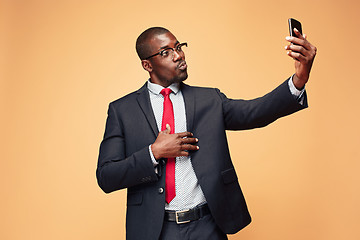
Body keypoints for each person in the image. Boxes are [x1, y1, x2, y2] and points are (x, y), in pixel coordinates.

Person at [96, 26, 317, 240]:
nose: (178, 55)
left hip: (208, 227)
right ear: (147, 65)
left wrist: (299, 79)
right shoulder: (122, 110)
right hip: (157, 230)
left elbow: (255, 112)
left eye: (178, 47)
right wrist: (154, 153)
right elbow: (107, 176)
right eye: (166, 52)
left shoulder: (209, 100)